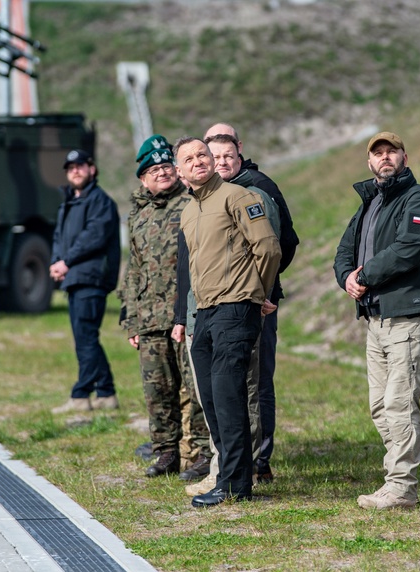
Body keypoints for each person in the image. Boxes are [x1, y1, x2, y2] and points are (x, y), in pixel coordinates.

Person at [333, 131, 420, 510]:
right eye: (378, 153)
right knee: (380, 407)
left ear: (405, 157)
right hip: (376, 319)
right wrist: (347, 277)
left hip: (410, 316)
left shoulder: (418, 199)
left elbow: (410, 247)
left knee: (400, 404)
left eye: (392, 151)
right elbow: (344, 250)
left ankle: (401, 487)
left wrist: (365, 275)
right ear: (369, 162)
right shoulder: (369, 204)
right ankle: (399, 475)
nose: (385, 157)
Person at [174, 137, 281, 507]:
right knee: (211, 399)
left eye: (202, 154)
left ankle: (234, 484)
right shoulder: (188, 212)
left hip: (237, 307)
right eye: (189, 159)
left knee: (228, 395)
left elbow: (268, 247)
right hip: (204, 312)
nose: (198, 161)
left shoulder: (237, 196)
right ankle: (230, 478)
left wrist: (258, 293)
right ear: (180, 171)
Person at [203, 123, 299, 483]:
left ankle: (259, 461)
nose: (221, 161)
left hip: (258, 302)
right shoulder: (209, 193)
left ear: (239, 152)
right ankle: (232, 457)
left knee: (256, 380)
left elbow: (283, 243)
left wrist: (263, 289)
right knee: (229, 379)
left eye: (227, 155)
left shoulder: (258, 188)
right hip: (221, 303)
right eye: (214, 156)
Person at [120, 134, 211, 480]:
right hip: (149, 318)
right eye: (153, 170)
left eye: (166, 167)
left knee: (195, 386)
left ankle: (202, 452)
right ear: (143, 178)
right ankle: (166, 452)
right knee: (157, 390)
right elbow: (134, 269)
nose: (161, 173)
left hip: (184, 314)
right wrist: (131, 319)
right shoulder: (137, 215)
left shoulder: (190, 203)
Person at [50, 149, 121, 414]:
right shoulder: (70, 202)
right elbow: (59, 237)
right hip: (75, 277)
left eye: (80, 166)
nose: (75, 171)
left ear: (92, 169)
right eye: (70, 168)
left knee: (86, 338)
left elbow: (93, 237)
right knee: (85, 337)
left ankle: (81, 395)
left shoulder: (100, 201)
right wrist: (57, 262)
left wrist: (66, 261)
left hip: (92, 278)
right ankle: (106, 393)